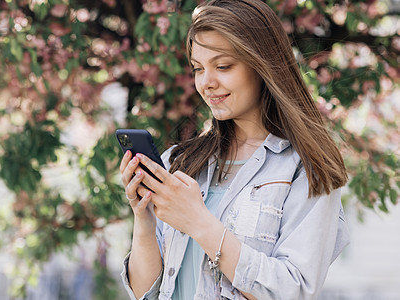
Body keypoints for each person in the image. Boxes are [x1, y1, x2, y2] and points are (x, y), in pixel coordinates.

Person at [119, 0, 350, 299]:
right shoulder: (180, 162)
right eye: (198, 69)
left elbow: (292, 289)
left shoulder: (305, 169)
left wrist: (198, 222)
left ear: (261, 64)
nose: (206, 83)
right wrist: (145, 218)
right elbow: (144, 292)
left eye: (223, 66)